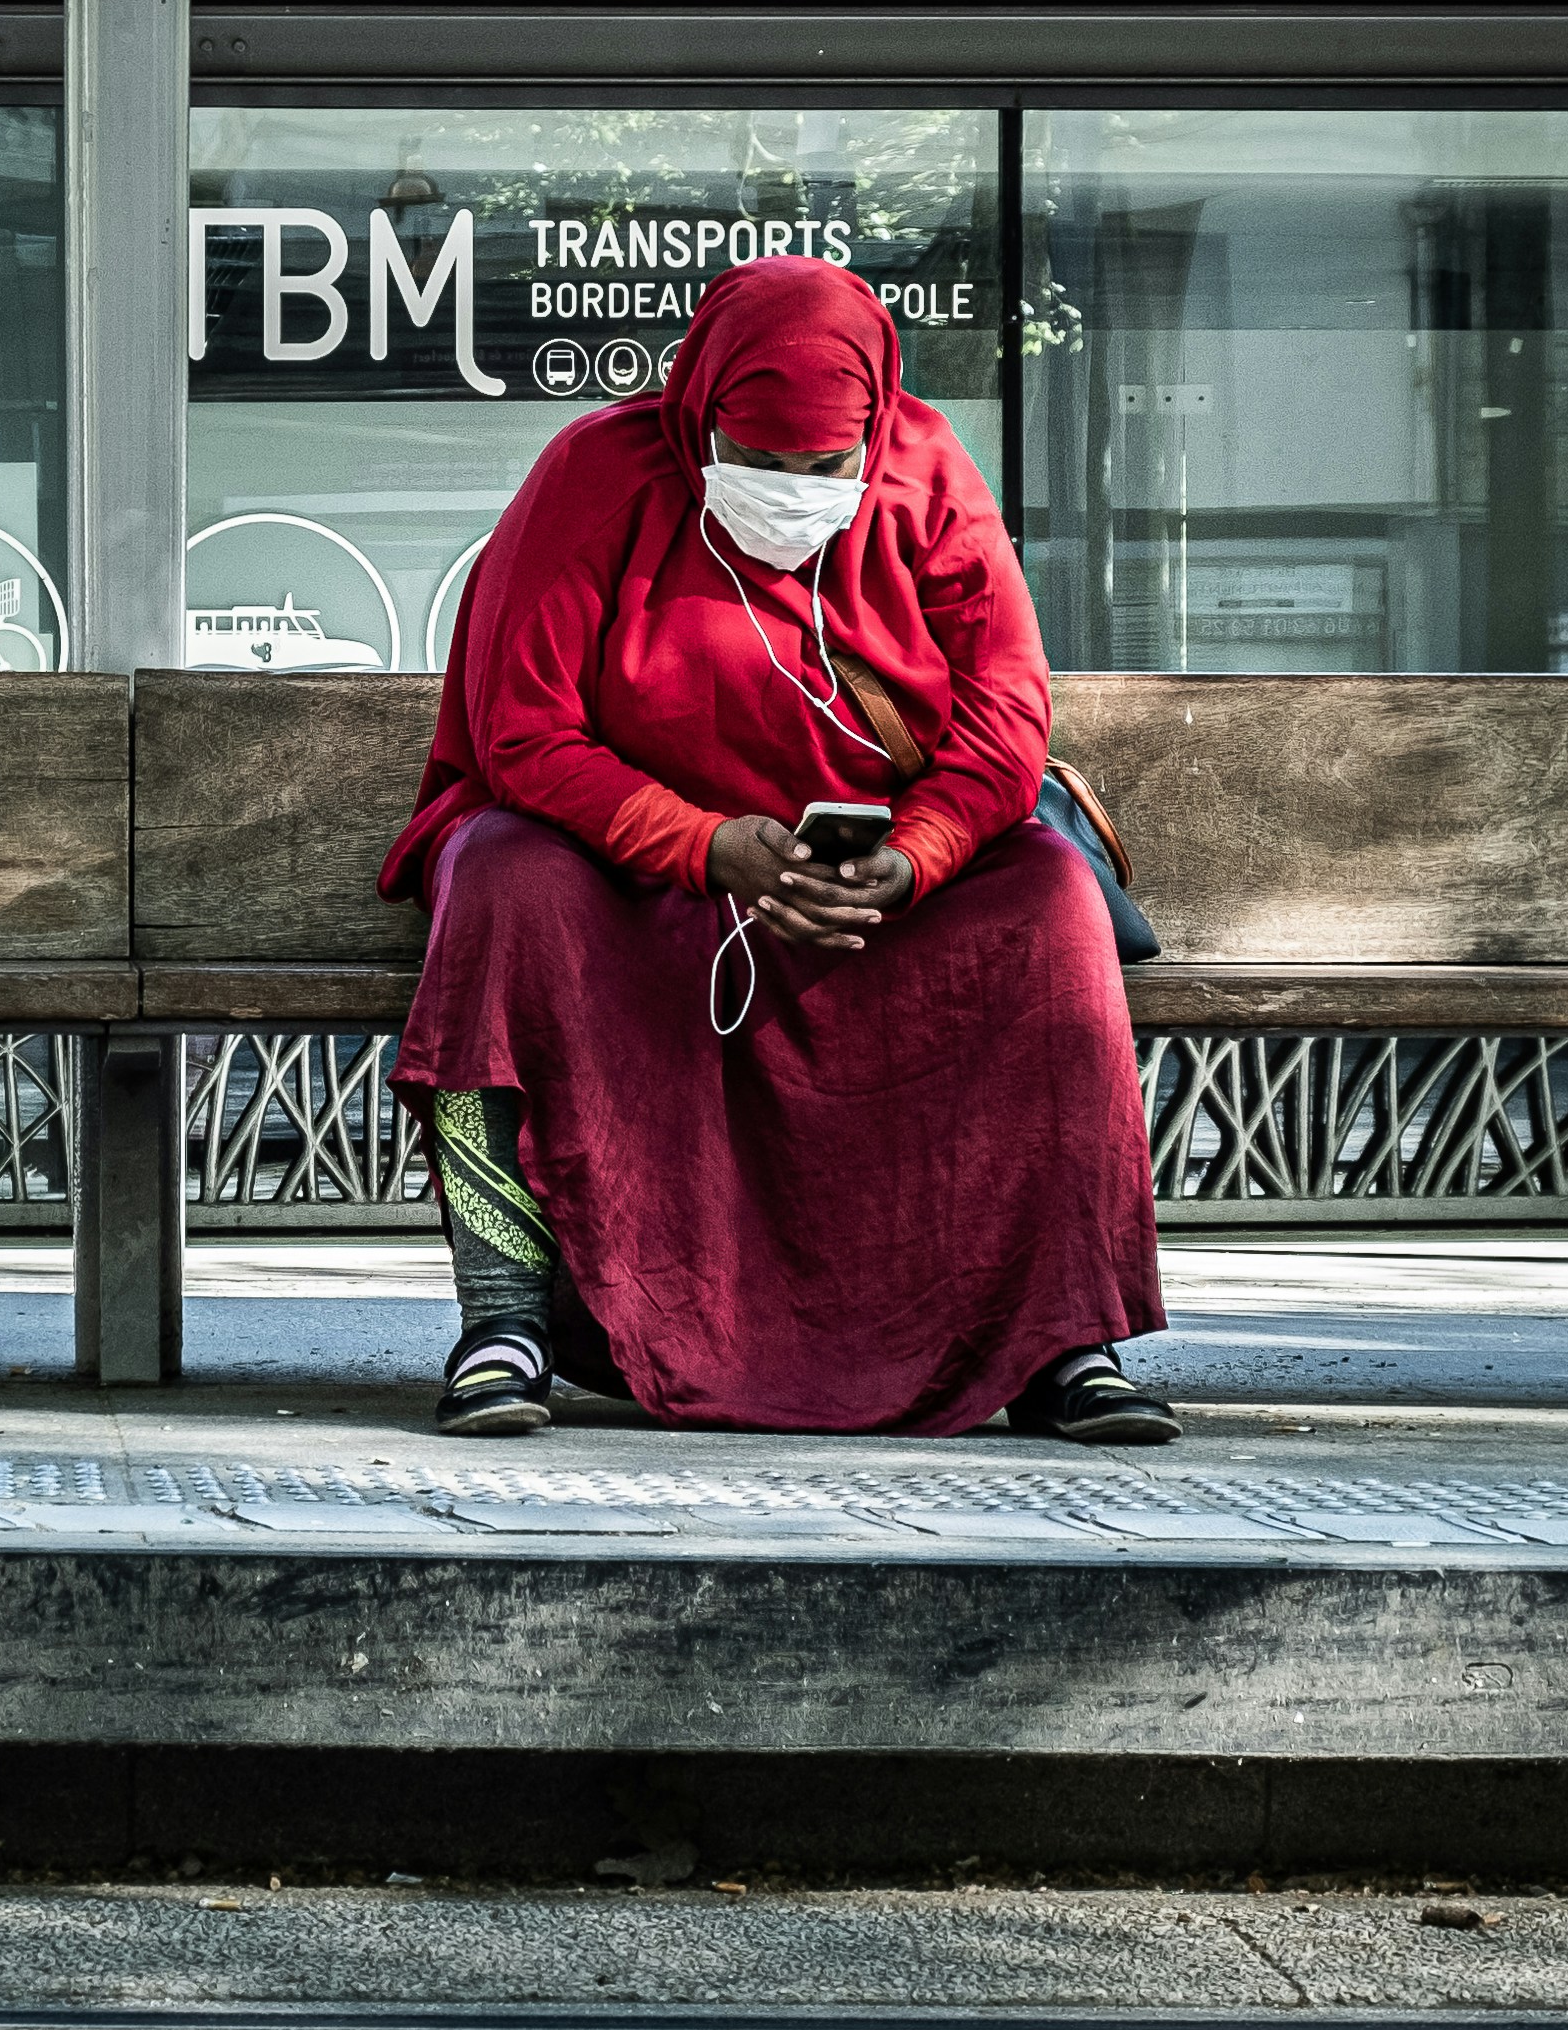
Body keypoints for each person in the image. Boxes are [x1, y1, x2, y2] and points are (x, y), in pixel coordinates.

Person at [382, 252, 1174, 1445]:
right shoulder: (594, 475)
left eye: (822, 467)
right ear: (699, 411)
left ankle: (1064, 1338)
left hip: (872, 881)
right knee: (499, 879)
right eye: (752, 462)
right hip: (629, 871)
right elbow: (522, 730)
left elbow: (1006, 718)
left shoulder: (926, 475)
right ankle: (505, 1322)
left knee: (1051, 898)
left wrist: (909, 858)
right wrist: (702, 846)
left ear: (872, 427)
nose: (790, 490)